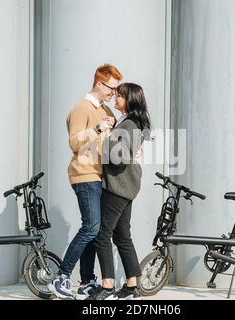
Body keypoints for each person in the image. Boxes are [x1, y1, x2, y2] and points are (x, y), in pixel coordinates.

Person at [48, 64, 122, 300]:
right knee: (90, 227)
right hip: (84, 174)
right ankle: (61, 277)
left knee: (95, 230)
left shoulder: (106, 111)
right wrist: (98, 128)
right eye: (111, 88)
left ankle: (87, 281)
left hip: (100, 175)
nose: (114, 93)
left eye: (116, 89)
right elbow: (75, 142)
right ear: (99, 84)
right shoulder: (81, 109)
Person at [87, 83, 152, 300]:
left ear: (130, 99)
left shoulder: (130, 125)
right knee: (123, 236)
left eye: (120, 96)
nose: (116, 98)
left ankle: (107, 286)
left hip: (118, 186)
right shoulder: (130, 122)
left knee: (102, 235)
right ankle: (132, 285)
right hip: (126, 186)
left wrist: (106, 135)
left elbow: (120, 156)